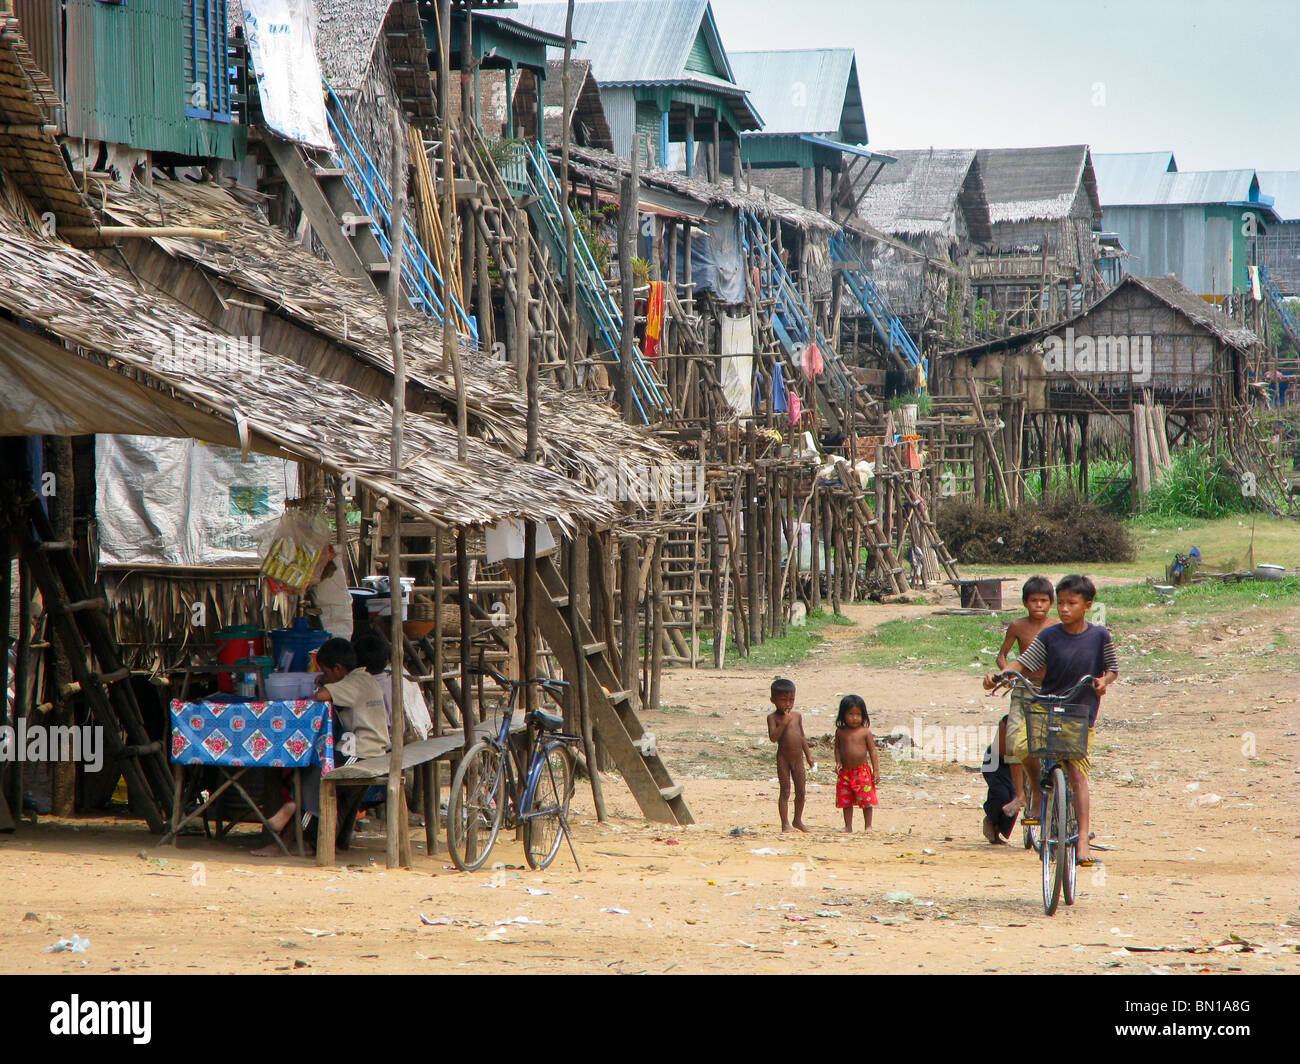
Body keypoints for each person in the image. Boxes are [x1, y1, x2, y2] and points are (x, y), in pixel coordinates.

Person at [984, 574, 1118, 866]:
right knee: (1021, 746)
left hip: (1080, 712)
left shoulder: (1099, 636)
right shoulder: (1049, 635)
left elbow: (1113, 669)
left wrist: (1103, 680)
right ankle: (1035, 793)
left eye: (1072, 603)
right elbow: (1024, 661)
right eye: (1063, 603)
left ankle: (1082, 839)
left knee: (1077, 774)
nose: (1065, 609)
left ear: (1087, 605)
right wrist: (1001, 674)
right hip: (1047, 706)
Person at [254, 637, 390, 857]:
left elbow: (321, 696)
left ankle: (291, 815)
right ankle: (301, 833)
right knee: (318, 768)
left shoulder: (352, 682)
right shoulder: (365, 678)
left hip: (362, 752)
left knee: (316, 768)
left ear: (338, 668)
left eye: (326, 671)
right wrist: (328, 680)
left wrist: (326, 684)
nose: (324, 677)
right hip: (370, 749)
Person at [994, 576, 1058, 821]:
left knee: (1046, 742)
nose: (1038, 605)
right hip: (1023, 687)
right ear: (1024, 602)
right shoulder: (1018, 626)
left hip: (1049, 689)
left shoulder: (1056, 626)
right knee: (1013, 742)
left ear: (1051, 603)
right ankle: (1020, 794)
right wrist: (1006, 674)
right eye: (1034, 601)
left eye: (1043, 601)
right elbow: (1003, 655)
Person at [766, 677, 813, 832]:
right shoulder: (773, 718)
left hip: (798, 758)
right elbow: (773, 738)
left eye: (791, 700)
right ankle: (785, 823)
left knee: (801, 790)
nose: (788, 704)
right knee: (785, 790)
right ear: (773, 700)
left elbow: (802, 736)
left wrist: (809, 755)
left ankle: (797, 820)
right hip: (783, 758)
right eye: (783, 700)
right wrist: (784, 722)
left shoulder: (797, 716)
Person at [833, 695, 878, 832]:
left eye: (858, 714)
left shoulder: (865, 732)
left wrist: (876, 771)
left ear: (863, 716)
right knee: (846, 800)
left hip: (861, 772)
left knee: (866, 800)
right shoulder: (840, 732)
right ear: (843, 715)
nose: (854, 718)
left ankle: (868, 825)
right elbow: (837, 748)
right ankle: (848, 826)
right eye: (851, 714)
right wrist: (838, 762)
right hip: (845, 772)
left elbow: (873, 751)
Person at [981, 714, 1016, 843]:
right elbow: (1002, 750)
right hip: (997, 761)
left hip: (1018, 762)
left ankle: (997, 829)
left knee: (1014, 798)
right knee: (1001, 795)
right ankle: (991, 820)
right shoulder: (1008, 722)